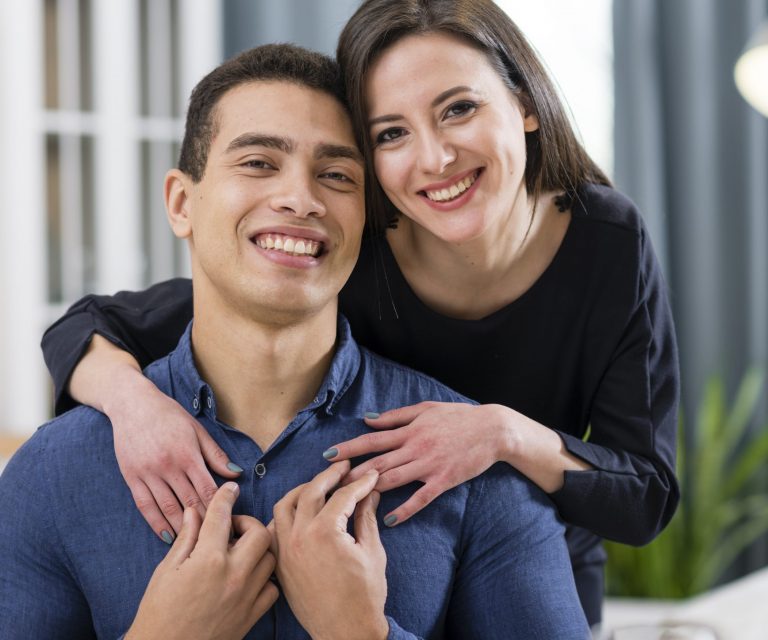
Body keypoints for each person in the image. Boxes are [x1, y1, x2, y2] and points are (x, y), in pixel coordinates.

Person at [40, 0, 680, 629]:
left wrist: (503, 434)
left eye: (459, 108)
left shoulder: (607, 242)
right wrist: (136, 406)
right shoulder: (350, 250)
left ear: (526, 104)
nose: (434, 159)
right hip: (379, 551)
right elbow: (94, 325)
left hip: (530, 562)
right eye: (390, 134)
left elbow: (645, 494)